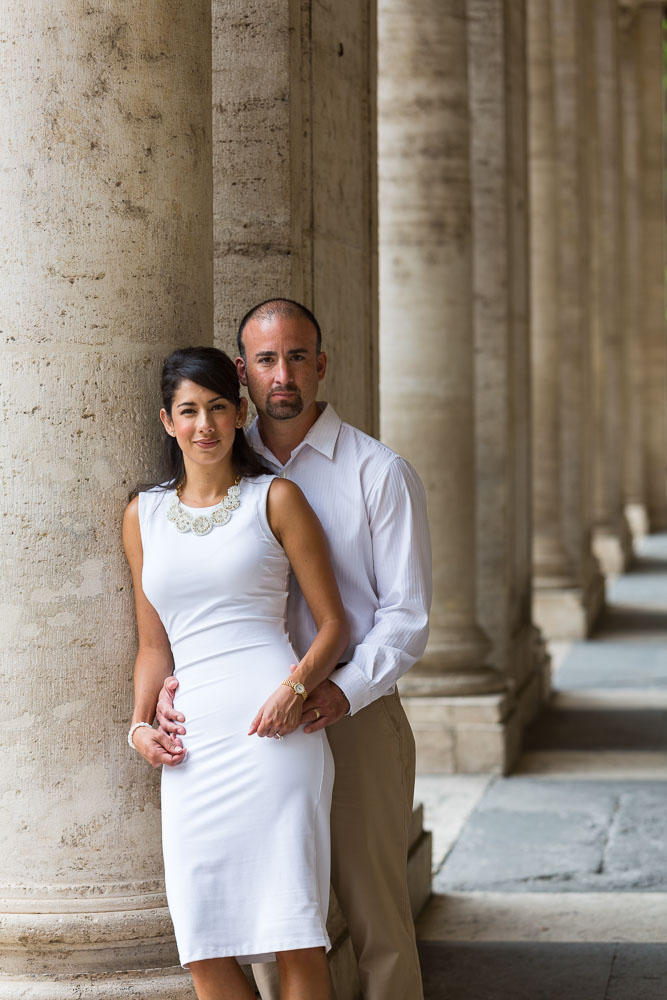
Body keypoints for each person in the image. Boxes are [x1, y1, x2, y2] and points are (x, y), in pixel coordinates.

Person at [157, 300, 432, 1000]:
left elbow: (405, 617)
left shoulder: (377, 471)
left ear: (321, 365)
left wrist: (337, 688)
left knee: (375, 918)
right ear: (244, 373)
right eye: (267, 360)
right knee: (278, 922)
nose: (284, 375)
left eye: (298, 357)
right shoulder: (223, 473)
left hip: (351, 710)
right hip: (249, 731)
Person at [123, 346, 349, 1000]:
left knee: (294, 932)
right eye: (189, 411)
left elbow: (332, 624)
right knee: (203, 945)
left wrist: (296, 688)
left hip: (275, 739)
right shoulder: (144, 515)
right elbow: (152, 646)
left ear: (241, 411)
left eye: (219, 407)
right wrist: (138, 726)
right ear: (167, 421)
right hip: (193, 750)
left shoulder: (274, 499)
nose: (205, 425)